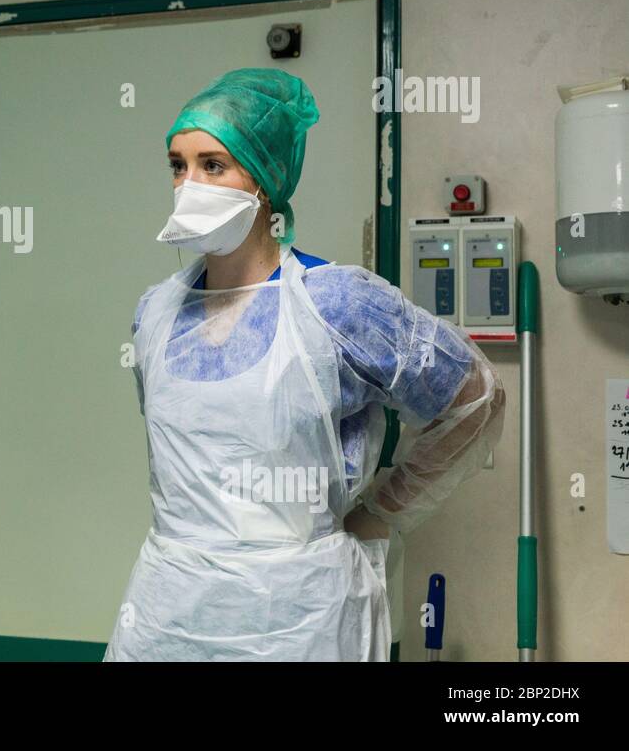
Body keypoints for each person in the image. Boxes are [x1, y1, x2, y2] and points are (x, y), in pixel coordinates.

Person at [104, 68, 505, 661]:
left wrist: (383, 509)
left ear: (265, 180)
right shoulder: (157, 312)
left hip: (299, 616)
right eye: (177, 165)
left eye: (213, 165)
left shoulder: (335, 304)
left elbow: (475, 399)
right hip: (169, 610)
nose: (189, 183)